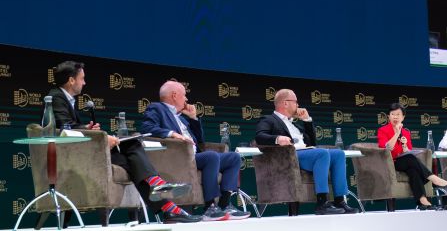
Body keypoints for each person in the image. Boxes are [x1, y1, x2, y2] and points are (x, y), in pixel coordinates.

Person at [48, 61, 201, 223]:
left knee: (135, 162)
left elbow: (68, 126)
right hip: (73, 157)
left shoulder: (64, 99)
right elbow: (64, 128)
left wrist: (87, 128)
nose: (84, 82)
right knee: (132, 147)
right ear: (71, 80)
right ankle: (165, 198)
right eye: (82, 78)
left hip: (84, 151)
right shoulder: (56, 97)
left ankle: (169, 207)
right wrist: (101, 137)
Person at [140, 80, 250, 221]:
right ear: (174, 95)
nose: (186, 99)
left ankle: (225, 204)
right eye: (184, 95)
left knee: (233, 157)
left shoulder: (183, 119)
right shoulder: (157, 108)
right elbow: (146, 128)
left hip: (196, 157)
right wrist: (172, 134)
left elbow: (200, 141)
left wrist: (193, 118)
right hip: (179, 157)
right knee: (211, 157)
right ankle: (209, 207)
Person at [255, 89, 359, 215]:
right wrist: (278, 139)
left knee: (338, 154)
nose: (298, 105)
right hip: (290, 157)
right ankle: (322, 203)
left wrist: (307, 120)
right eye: (296, 102)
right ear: (285, 103)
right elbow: (260, 136)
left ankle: (340, 201)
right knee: (322, 153)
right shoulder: (269, 119)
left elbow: (312, 143)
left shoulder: (295, 125)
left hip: (307, 153)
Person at [377, 103, 447, 210]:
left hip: (405, 162)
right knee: (410, 160)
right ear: (388, 116)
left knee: (413, 170)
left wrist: (405, 145)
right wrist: (396, 133)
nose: (395, 117)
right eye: (393, 114)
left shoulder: (406, 132)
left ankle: (422, 201)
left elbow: (407, 151)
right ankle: (434, 179)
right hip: (391, 163)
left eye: (398, 114)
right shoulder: (383, 130)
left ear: (403, 117)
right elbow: (387, 148)